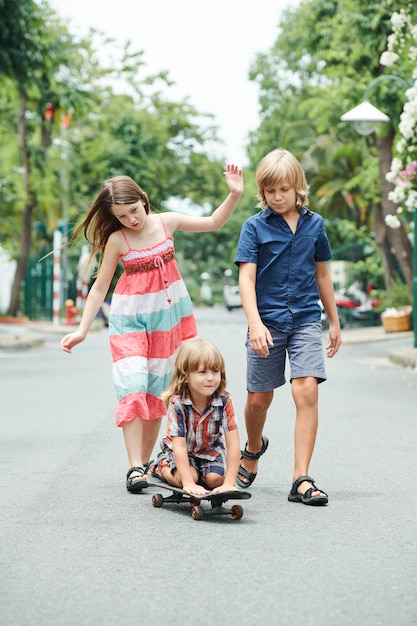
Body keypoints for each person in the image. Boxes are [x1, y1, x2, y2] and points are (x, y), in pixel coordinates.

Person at [60, 165, 243, 493]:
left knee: (160, 396)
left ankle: (143, 465)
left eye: (134, 210)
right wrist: (83, 329)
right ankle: (133, 466)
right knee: (132, 389)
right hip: (129, 321)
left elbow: (214, 222)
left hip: (171, 322)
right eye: (122, 216)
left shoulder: (166, 222)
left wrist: (234, 194)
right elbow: (101, 288)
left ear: (144, 200)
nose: (131, 219)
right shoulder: (118, 240)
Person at [234, 148, 341, 506]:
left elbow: (322, 273)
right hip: (267, 322)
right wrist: (254, 323)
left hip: (306, 320)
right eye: (269, 191)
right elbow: (246, 280)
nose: (277, 197)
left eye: (283, 189)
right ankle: (252, 447)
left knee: (306, 390)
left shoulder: (315, 224)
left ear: (298, 187)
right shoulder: (254, 227)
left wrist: (335, 321)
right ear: (262, 192)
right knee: (258, 400)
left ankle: (301, 478)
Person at [148, 338, 241, 495]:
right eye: (202, 372)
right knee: (186, 477)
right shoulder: (178, 403)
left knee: (215, 480)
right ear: (185, 376)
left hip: (209, 450)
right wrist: (189, 483)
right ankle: (160, 467)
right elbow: (179, 446)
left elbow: (233, 444)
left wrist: (229, 482)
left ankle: (200, 474)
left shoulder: (224, 401)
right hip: (182, 450)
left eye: (215, 371)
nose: (210, 378)